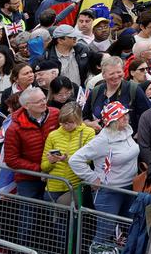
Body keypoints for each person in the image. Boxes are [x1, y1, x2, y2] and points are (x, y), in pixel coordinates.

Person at [68, 101, 140, 242]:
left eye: (125, 114)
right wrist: (93, 178)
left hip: (130, 188)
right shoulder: (102, 140)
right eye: (120, 117)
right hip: (109, 192)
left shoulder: (127, 131)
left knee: (128, 228)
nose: (126, 118)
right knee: (105, 232)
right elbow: (75, 160)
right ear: (111, 122)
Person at [38, 101, 93, 202]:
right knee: (52, 217)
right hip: (53, 186)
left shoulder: (88, 132)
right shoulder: (53, 135)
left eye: (71, 122)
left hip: (75, 185)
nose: (66, 126)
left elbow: (88, 160)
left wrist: (66, 158)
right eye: (63, 122)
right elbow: (44, 166)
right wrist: (51, 162)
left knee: (72, 216)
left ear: (79, 120)